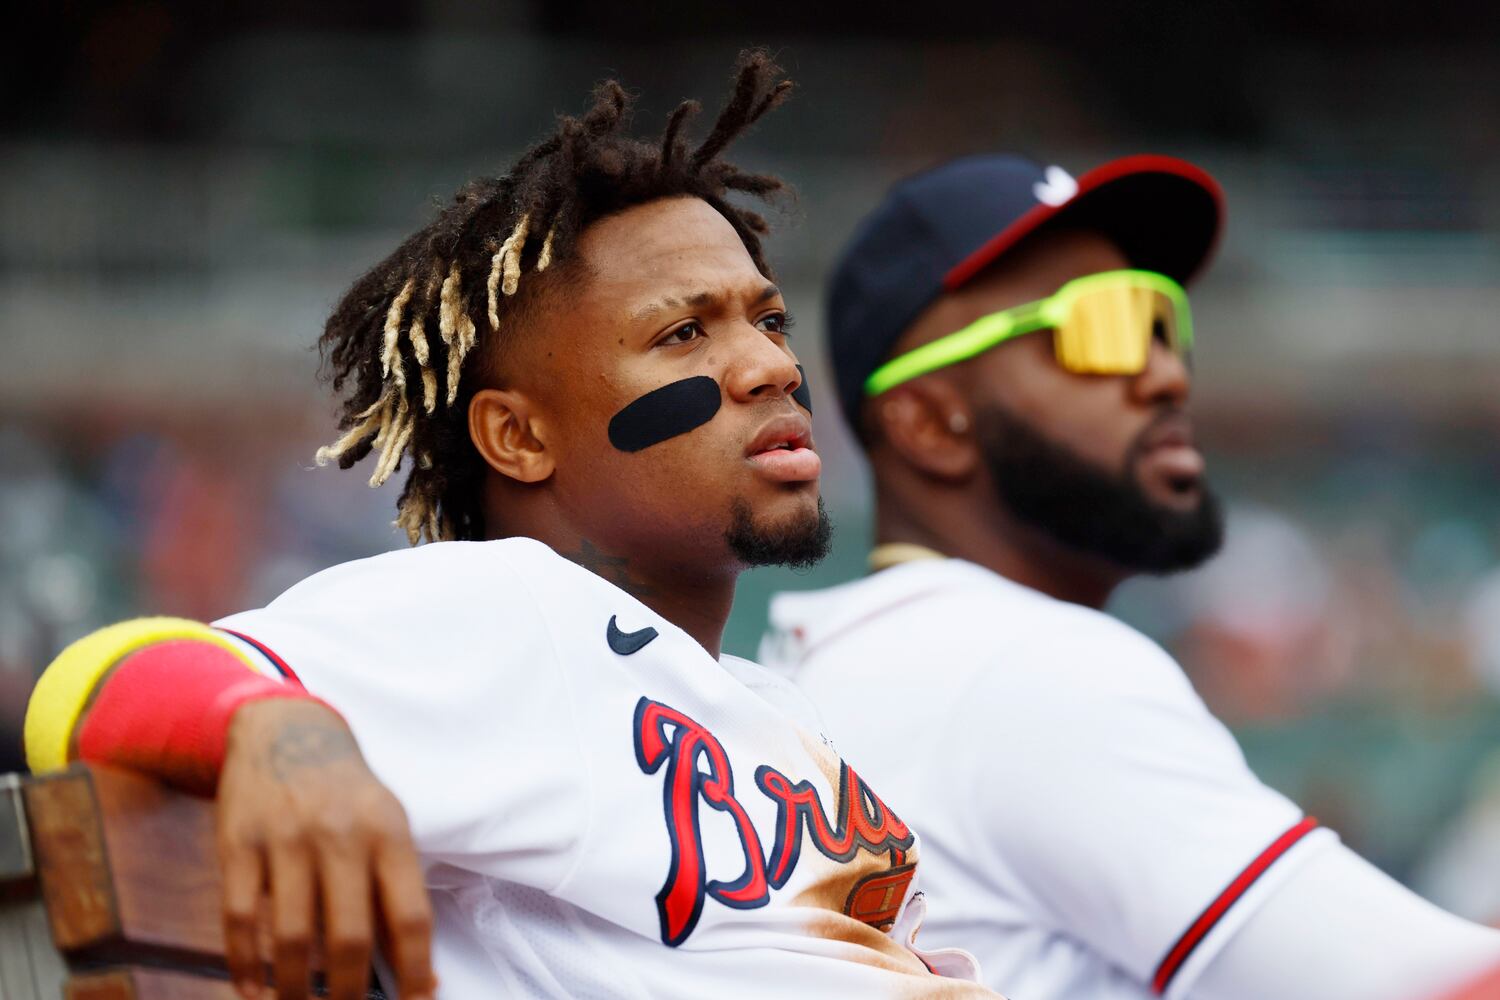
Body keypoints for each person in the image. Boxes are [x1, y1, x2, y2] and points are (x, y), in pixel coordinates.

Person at [23, 56, 1001, 1000]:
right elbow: (91, 684)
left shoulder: (761, 702)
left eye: (771, 320)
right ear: (520, 435)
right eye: (684, 333)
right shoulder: (521, 614)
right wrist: (280, 733)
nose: (772, 366)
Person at [757, 153, 1500, 1000]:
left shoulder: (813, 670)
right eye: (1099, 328)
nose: (1166, 372)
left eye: (1161, 320)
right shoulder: (1024, 666)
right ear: (927, 421)